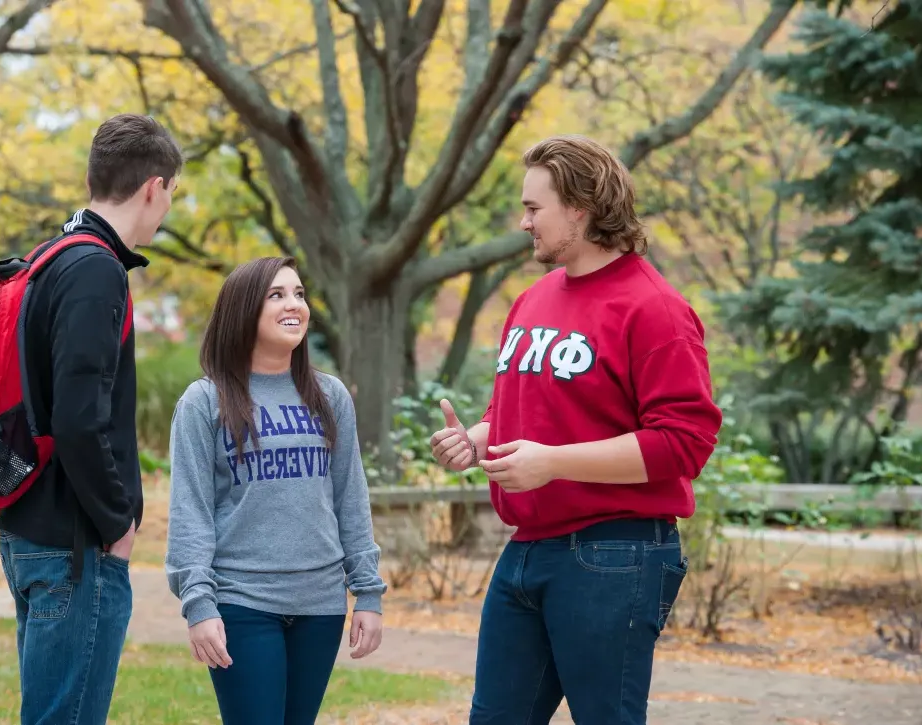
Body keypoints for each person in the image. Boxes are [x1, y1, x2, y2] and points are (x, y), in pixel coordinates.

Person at [429, 135, 723, 725]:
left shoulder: (655, 308)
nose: (524, 221)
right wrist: (479, 440)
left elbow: (685, 442)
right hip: (526, 550)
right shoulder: (531, 300)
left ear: (581, 209)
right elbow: (521, 414)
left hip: (616, 554)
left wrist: (554, 463)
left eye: (535, 208)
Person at [0, 113, 182, 724]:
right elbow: (79, 419)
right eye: (171, 194)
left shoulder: (51, 257)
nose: (166, 209)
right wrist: (116, 520)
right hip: (74, 546)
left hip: (35, 529)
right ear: (154, 185)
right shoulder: (97, 270)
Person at [165, 256, 387, 725]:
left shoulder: (330, 396)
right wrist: (199, 605)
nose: (295, 305)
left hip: (321, 603)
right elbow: (191, 513)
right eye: (277, 294)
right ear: (244, 310)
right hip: (242, 600)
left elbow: (350, 497)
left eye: (300, 294)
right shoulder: (204, 401)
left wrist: (367, 593)